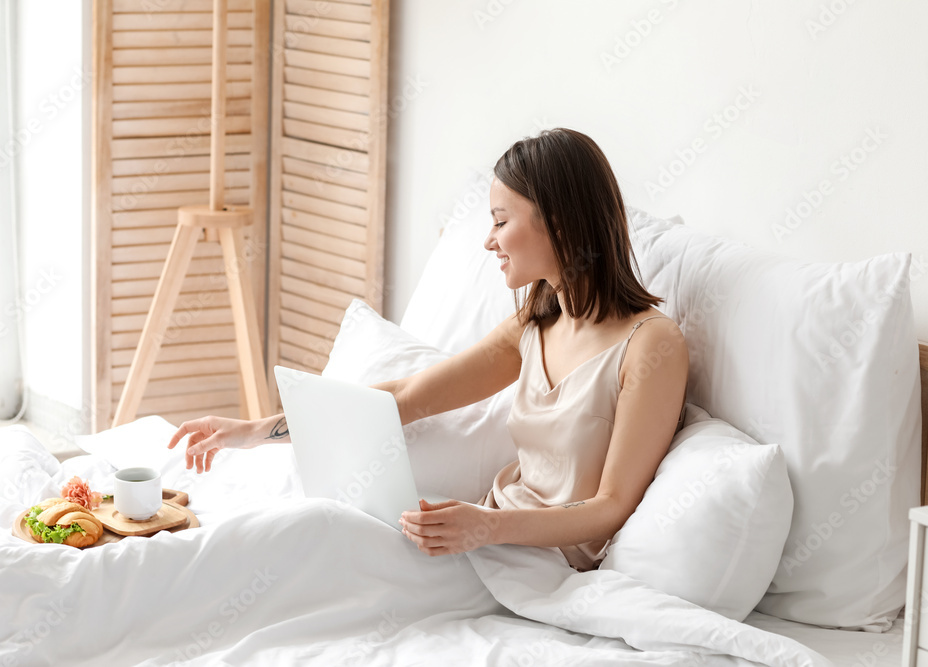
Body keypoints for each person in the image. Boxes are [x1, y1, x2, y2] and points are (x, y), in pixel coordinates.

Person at [167, 128, 689, 572]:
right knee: (296, 538)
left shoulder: (651, 346)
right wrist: (255, 431)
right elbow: (409, 396)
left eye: (501, 221)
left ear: (558, 222)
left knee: (307, 551)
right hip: (484, 537)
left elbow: (611, 507)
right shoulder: (534, 322)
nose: (489, 241)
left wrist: (486, 527)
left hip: (535, 559)